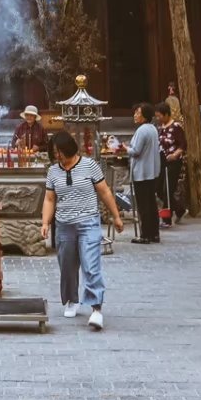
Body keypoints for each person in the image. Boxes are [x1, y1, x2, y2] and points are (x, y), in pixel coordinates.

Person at [41, 131, 123, 329]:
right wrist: (45, 222)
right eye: (55, 152)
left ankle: (96, 308)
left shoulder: (89, 165)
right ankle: (72, 299)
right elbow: (50, 198)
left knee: (91, 265)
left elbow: (104, 191)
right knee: (67, 266)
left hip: (88, 222)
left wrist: (116, 216)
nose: (58, 156)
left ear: (69, 148)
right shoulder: (53, 171)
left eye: (60, 151)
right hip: (64, 225)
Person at [128, 103, 162, 243]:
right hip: (151, 171)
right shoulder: (153, 128)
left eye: (138, 113)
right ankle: (154, 233)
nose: (135, 115)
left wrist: (124, 148)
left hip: (142, 172)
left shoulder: (142, 130)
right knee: (151, 203)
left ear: (145, 116)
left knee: (144, 205)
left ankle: (146, 234)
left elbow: (136, 151)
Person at [156, 99, 187, 229]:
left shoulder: (176, 127)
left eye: (160, 116)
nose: (158, 118)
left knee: (167, 189)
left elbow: (183, 145)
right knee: (159, 189)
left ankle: (166, 219)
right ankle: (179, 209)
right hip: (161, 160)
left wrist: (175, 154)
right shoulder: (159, 128)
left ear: (166, 114)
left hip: (173, 161)